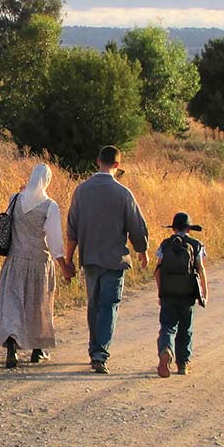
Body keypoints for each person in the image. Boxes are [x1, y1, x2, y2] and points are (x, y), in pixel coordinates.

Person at [66, 145, 149, 374]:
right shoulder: (123, 193)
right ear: (117, 165)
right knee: (109, 304)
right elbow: (136, 226)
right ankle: (100, 353)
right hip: (114, 258)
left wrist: (69, 259)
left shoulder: (81, 191)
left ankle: (95, 349)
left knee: (94, 303)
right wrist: (142, 250)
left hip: (90, 257)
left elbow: (72, 227)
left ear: (97, 161)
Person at [0, 163, 73, 369]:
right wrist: (63, 265)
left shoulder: (15, 199)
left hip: (15, 260)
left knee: (13, 303)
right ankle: (37, 350)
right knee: (39, 304)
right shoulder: (49, 206)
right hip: (39, 263)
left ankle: (11, 345)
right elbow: (54, 240)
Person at [155, 212, 209, 378]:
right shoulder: (196, 245)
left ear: (173, 228)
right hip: (188, 294)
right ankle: (183, 364)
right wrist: (204, 292)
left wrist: (160, 291)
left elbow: (158, 270)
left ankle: (166, 349)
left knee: (168, 326)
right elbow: (200, 268)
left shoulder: (165, 244)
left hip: (168, 294)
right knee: (185, 328)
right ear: (189, 229)